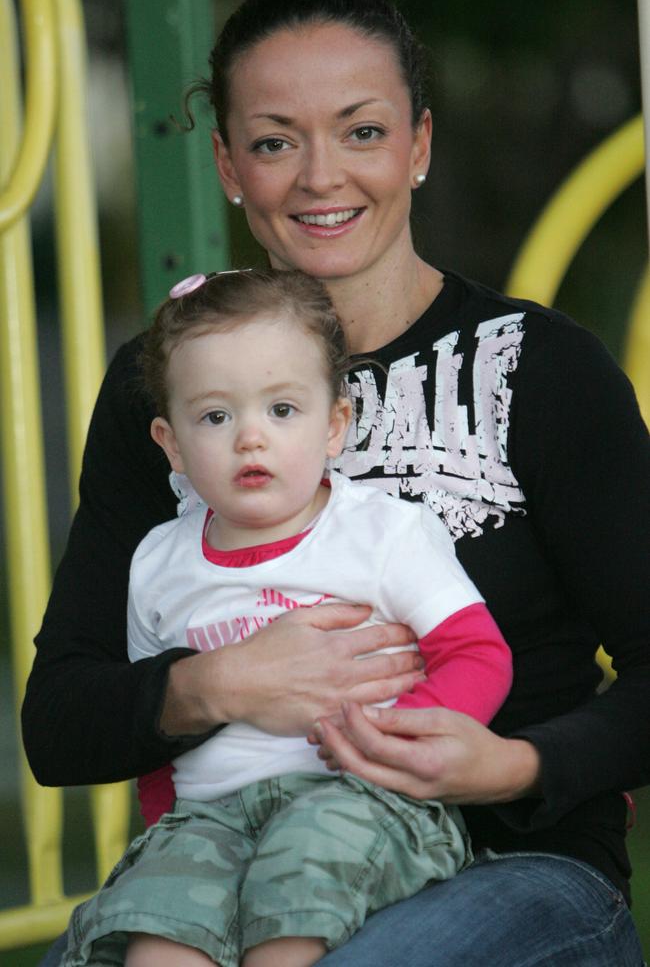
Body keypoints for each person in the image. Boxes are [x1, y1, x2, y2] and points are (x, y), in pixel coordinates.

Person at [23, 0, 649, 967]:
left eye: (360, 131)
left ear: (419, 147)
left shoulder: (543, 369)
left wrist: (515, 764)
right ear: (228, 165)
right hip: (230, 857)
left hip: (515, 869)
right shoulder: (166, 392)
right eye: (275, 141)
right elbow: (60, 725)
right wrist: (219, 683)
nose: (321, 177)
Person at [62, 267, 511, 967]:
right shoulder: (158, 562)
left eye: (282, 410)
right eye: (216, 417)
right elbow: (153, 733)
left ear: (335, 425)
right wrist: (165, 832)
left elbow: (478, 654)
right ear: (171, 443)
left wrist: (399, 737)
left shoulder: (382, 534)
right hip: (209, 817)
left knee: (291, 914)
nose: (250, 439)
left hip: (356, 796)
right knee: (157, 936)